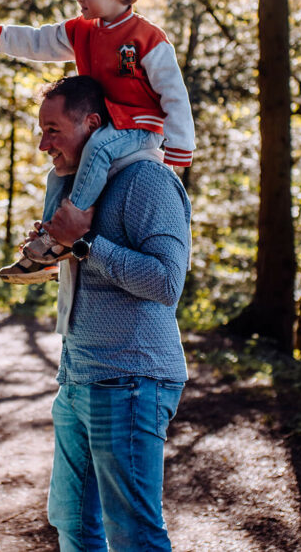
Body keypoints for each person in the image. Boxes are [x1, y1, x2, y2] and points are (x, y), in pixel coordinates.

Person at [30, 75, 191, 550]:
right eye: (42, 131)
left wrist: (82, 243)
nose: (43, 144)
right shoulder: (79, 189)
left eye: (54, 130)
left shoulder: (147, 180)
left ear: (92, 123)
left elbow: (166, 283)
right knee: (72, 522)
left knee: (133, 534)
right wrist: (54, 250)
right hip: (79, 377)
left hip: (131, 380)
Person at [0, 0, 195, 283]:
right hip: (106, 125)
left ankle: (65, 231)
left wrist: (180, 148)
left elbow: (174, 94)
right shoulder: (82, 30)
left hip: (139, 127)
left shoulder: (147, 38)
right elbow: (38, 41)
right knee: (58, 172)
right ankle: (46, 246)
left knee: (98, 148)